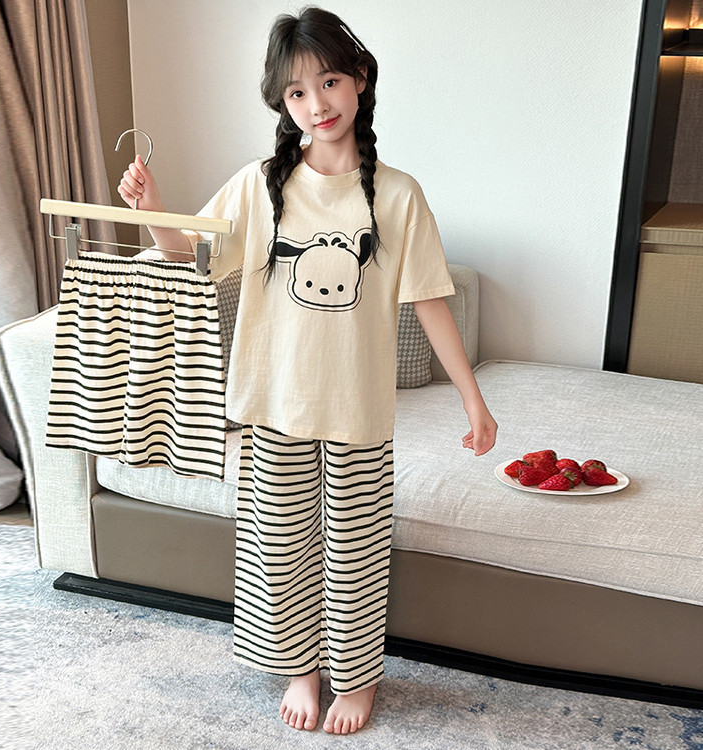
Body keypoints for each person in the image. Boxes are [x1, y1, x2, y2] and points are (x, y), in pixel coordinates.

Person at [118, 6, 497, 735]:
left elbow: (430, 299)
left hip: (357, 406)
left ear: (359, 80)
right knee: (279, 546)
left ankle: (356, 680)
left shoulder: (398, 195)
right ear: (282, 102)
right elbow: (188, 254)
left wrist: (472, 400)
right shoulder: (260, 184)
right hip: (274, 400)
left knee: (356, 550)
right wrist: (155, 206)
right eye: (297, 92)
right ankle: (301, 670)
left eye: (328, 82)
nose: (316, 104)